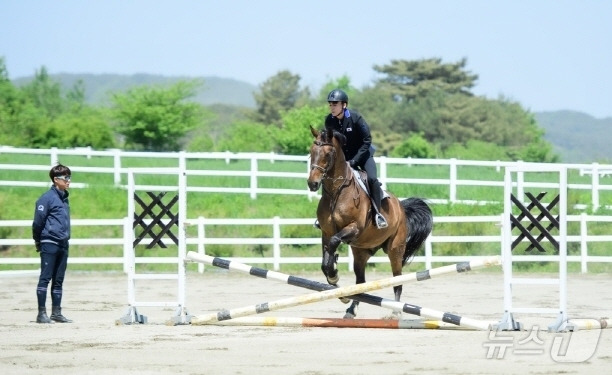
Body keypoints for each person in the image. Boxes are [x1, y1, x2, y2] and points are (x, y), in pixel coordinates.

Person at [321, 88, 388, 229]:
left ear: (344, 105)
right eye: (330, 104)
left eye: (335, 104)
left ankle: (378, 214)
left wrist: (354, 161)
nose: (332, 107)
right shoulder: (329, 121)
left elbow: (367, 141)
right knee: (327, 178)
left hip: (363, 155)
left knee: (371, 179)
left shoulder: (356, 118)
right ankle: (325, 214)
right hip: (344, 159)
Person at [32, 164, 73, 324]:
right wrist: (38, 240)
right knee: (45, 278)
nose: (69, 180)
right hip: (49, 242)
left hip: (63, 243)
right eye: (66, 178)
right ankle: (41, 313)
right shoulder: (46, 199)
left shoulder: (64, 199)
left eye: (69, 177)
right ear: (56, 180)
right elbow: (37, 222)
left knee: (59, 279)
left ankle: (56, 312)